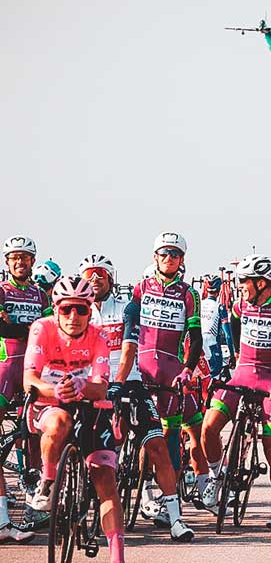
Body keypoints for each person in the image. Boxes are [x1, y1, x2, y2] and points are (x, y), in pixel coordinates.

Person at [78, 254, 194, 540]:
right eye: (89, 275)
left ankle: (176, 519)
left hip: (127, 381)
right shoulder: (75, 311)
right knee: (92, 450)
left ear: (110, 278)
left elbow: (130, 349)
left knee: (157, 445)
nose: (95, 280)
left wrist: (118, 383)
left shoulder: (127, 307)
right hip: (92, 385)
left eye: (101, 275)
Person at [23, 276, 125, 562]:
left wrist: (82, 387)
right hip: (49, 402)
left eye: (81, 310)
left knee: (105, 479)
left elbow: (101, 385)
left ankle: (118, 556)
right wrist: (54, 389)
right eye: (67, 309)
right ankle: (48, 481)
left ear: (90, 312)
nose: (73, 316)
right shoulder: (41, 329)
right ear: (56, 309)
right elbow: (28, 379)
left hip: (89, 404)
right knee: (58, 423)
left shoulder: (99, 337)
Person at [200, 255, 271, 531]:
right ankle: (217, 476)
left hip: (270, 381)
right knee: (209, 427)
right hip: (242, 373)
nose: (241, 286)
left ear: (262, 282)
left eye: (245, 282)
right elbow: (232, 321)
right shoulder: (240, 304)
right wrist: (235, 354)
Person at [122, 232, 210, 516]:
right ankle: (144, 491)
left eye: (174, 254)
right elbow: (129, 328)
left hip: (171, 367)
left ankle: (167, 496)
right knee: (135, 430)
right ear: (155, 257)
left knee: (169, 433)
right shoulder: (140, 288)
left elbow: (195, 337)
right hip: (141, 365)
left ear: (181, 260)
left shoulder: (188, 293)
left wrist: (187, 369)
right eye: (163, 253)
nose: (168, 258)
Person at [0, 235, 52, 541]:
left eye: (25, 257)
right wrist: (25, 328)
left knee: (34, 434)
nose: (20, 262)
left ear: (33, 262)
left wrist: (17, 326)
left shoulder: (41, 296)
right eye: (14, 257)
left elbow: (47, 332)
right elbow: (3, 329)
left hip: (34, 370)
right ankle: (3, 515)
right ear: (7, 263)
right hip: (5, 369)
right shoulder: (1, 291)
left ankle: (35, 505)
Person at [199, 275, 234, 380]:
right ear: (219, 290)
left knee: (200, 381)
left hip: (198, 348)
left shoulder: (200, 304)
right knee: (213, 381)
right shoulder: (220, 307)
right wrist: (232, 355)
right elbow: (228, 336)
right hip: (213, 347)